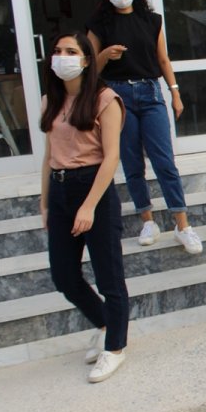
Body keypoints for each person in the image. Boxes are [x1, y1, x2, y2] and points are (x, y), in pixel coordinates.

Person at [86, 0, 202, 255]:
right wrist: (104, 55)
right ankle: (147, 220)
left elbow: (162, 60)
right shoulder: (100, 24)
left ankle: (182, 224)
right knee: (132, 162)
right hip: (117, 96)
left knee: (164, 160)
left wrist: (175, 93)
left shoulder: (152, 21)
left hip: (150, 93)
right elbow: (88, 68)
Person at [39, 32, 130, 383]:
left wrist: (89, 206)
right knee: (64, 275)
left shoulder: (105, 99)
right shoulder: (51, 101)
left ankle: (116, 347)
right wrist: (45, 203)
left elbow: (112, 157)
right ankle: (106, 323)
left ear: (87, 60)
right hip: (61, 191)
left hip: (94, 189)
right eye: (58, 51)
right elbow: (48, 157)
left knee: (109, 276)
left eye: (71, 51)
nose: (62, 56)